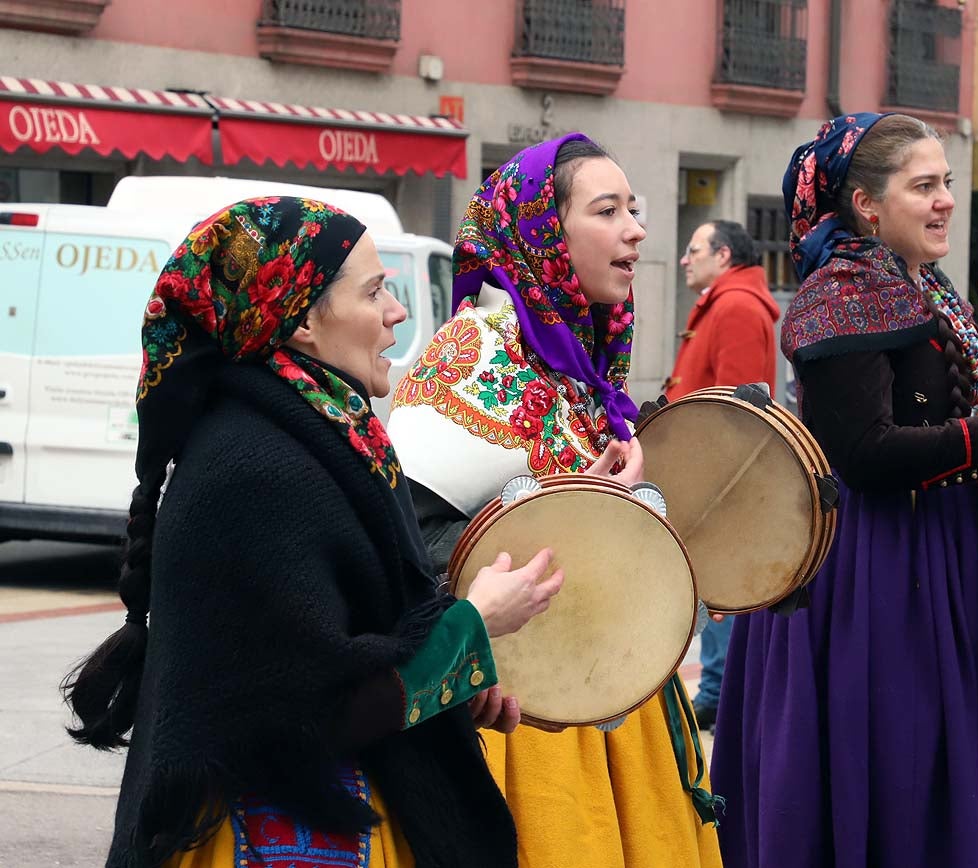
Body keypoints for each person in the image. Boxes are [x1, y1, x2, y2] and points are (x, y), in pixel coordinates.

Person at [61, 196, 565, 868]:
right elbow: (310, 711)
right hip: (272, 841)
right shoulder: (255, 468)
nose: (399, 312)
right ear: (300, 319)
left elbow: (348, 647)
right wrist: (471, 627)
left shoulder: (320, 434)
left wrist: (457, 682)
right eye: (377, 291)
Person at [711, 113, 978, 867]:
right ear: (866, 204)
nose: (945, 201)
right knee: (903, 765)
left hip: (957, 565)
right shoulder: (837, 294)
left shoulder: (926, 283)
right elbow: (863, 454)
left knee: (966, 768)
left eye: (947, 184)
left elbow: (950, 425)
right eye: (923, 186)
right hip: (871, 578)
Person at [388, 134, 723, 868]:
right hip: (524, 722)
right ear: (543, 234)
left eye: (633, 210)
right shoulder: (475, 354)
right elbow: (409, 536)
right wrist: (569, 518)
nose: (636, 228)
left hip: (615, 701)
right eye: (608, 211)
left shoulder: (579, 365)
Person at [668, 218, 780, 729]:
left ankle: (720, 689)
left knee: (719, 584)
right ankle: (720, 686)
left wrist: (707, 475)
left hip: (718, 475)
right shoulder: (727, 301)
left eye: (695, 250)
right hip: (708, 470)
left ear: (725, 255)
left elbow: (735, 407)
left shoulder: (734, 306)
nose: (686, 259)